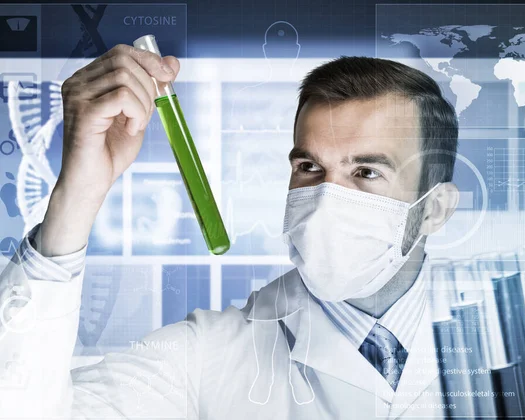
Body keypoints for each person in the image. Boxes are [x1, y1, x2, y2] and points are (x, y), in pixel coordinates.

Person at [0, 45, 460, 419]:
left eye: (365, 172)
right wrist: (76, 196)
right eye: (309, 167)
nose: (326, 200)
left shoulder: (512, 327)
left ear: (434, 210)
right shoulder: (205, 356)